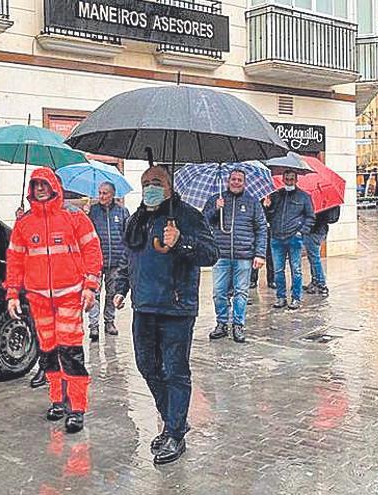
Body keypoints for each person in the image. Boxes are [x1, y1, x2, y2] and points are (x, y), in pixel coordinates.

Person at [112, 166, 217, 465]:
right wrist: (121, 287)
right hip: (143, 307)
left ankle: (174, 432)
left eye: (156, 182)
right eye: (146, 183)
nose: (150, 188)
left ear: (170, 185)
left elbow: (210, 254)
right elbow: (127, 256)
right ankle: (175, 420)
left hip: (176, 308)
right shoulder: (137, 218)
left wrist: (182, 241)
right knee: (146, 365)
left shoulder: (188, 216)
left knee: (175, 371)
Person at [5, 168, 103, 434]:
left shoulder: (74, 217)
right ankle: (57, 401)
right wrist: (12, 293)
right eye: (35, 185)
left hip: (70, 295)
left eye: (43, 184)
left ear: (54, 187)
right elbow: (14, 260)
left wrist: (90, 286)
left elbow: (92, 251)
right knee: (48, 352)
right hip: (38, 299)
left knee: (70, 352)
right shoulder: (24, 223)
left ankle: (77, 408)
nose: (39, 189)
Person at [204, 170, 268, 343]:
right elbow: (203, 222)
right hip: (221, 255)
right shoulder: (216, 199)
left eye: (240, 180)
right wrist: (215, 209)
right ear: (228, 181)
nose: (236, 182)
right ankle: (221, 323)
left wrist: (260, 254)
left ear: (244, 183)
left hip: (244, 256)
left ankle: (238, 325)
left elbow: (261, 228)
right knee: (219, 292)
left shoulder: (253, 203)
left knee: (241, 292)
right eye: (233, 179)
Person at [87, 181, 130, 342]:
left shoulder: (122, 212)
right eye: (100, 193)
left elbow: (127, 237)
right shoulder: (93, 211)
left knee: (112, 293)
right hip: (97, 261)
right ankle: (93, 326)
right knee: (95, 294)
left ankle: (109, 322)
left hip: (117, 261)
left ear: (112, 194)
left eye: (105, 193)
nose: (101, 196)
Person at [266, 170, 315, 310]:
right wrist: (267, 207)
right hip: (276, 238)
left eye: (291, 178)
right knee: (278, 270)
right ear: (283, 179)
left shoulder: (304, 197)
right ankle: (281, 297)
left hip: (294, 238)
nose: (289, 180)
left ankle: (296, 298)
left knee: (296, 269)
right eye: (286, 178)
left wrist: (301, 232)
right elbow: (268, 217)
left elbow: (310, 217)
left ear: (296, 179)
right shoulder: (275, 196)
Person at [303, 205, 340, 297]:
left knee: (314, 258)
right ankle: (315, 281)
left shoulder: (318, 203)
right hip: (321, 230)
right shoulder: (328, 200)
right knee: (313, 257)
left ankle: (321, 284)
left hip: (314, 231)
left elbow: (314, 218)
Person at [249, 195, 275, 290]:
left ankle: (272, 280)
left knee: (271, 256)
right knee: (256, 254)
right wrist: (264, 207)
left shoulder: (275, 198)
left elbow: (276, 215)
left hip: (272, 231)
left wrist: (269, 207)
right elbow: (256, 216)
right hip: (258, 231)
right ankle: (252, 279)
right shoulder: (256, 200)